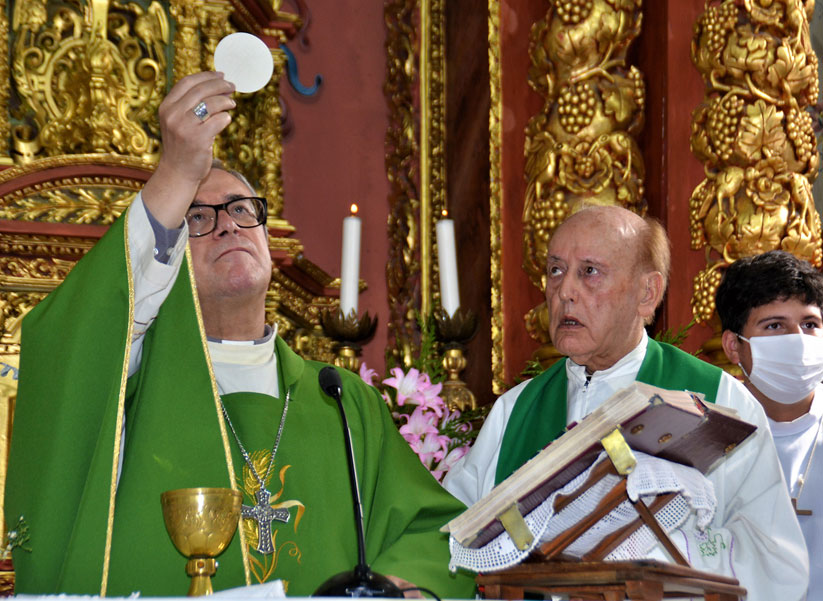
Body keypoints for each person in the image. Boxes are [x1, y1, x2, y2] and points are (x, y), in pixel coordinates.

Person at [5, 72, 474, 598]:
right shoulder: (129, 386)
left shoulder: (343, 402)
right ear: (164, 259)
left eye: (241, 210)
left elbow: (435, 534)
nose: (227, 225)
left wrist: (393, 588)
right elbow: (67, 347)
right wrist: (175, 174)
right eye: (197, 217)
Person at [443, 205, 809, 601]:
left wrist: (653, 559)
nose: (564, 291)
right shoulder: (514, 410)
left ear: (646, 293)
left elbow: (776, 560)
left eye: (589, 272)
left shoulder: (718, 398)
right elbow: (453, 535)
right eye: (555, 270)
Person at [716, 249, 823, 600]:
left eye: (810, 324)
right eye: (775, 325)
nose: (799, 340)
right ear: (734, 346)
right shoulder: (709, 431)